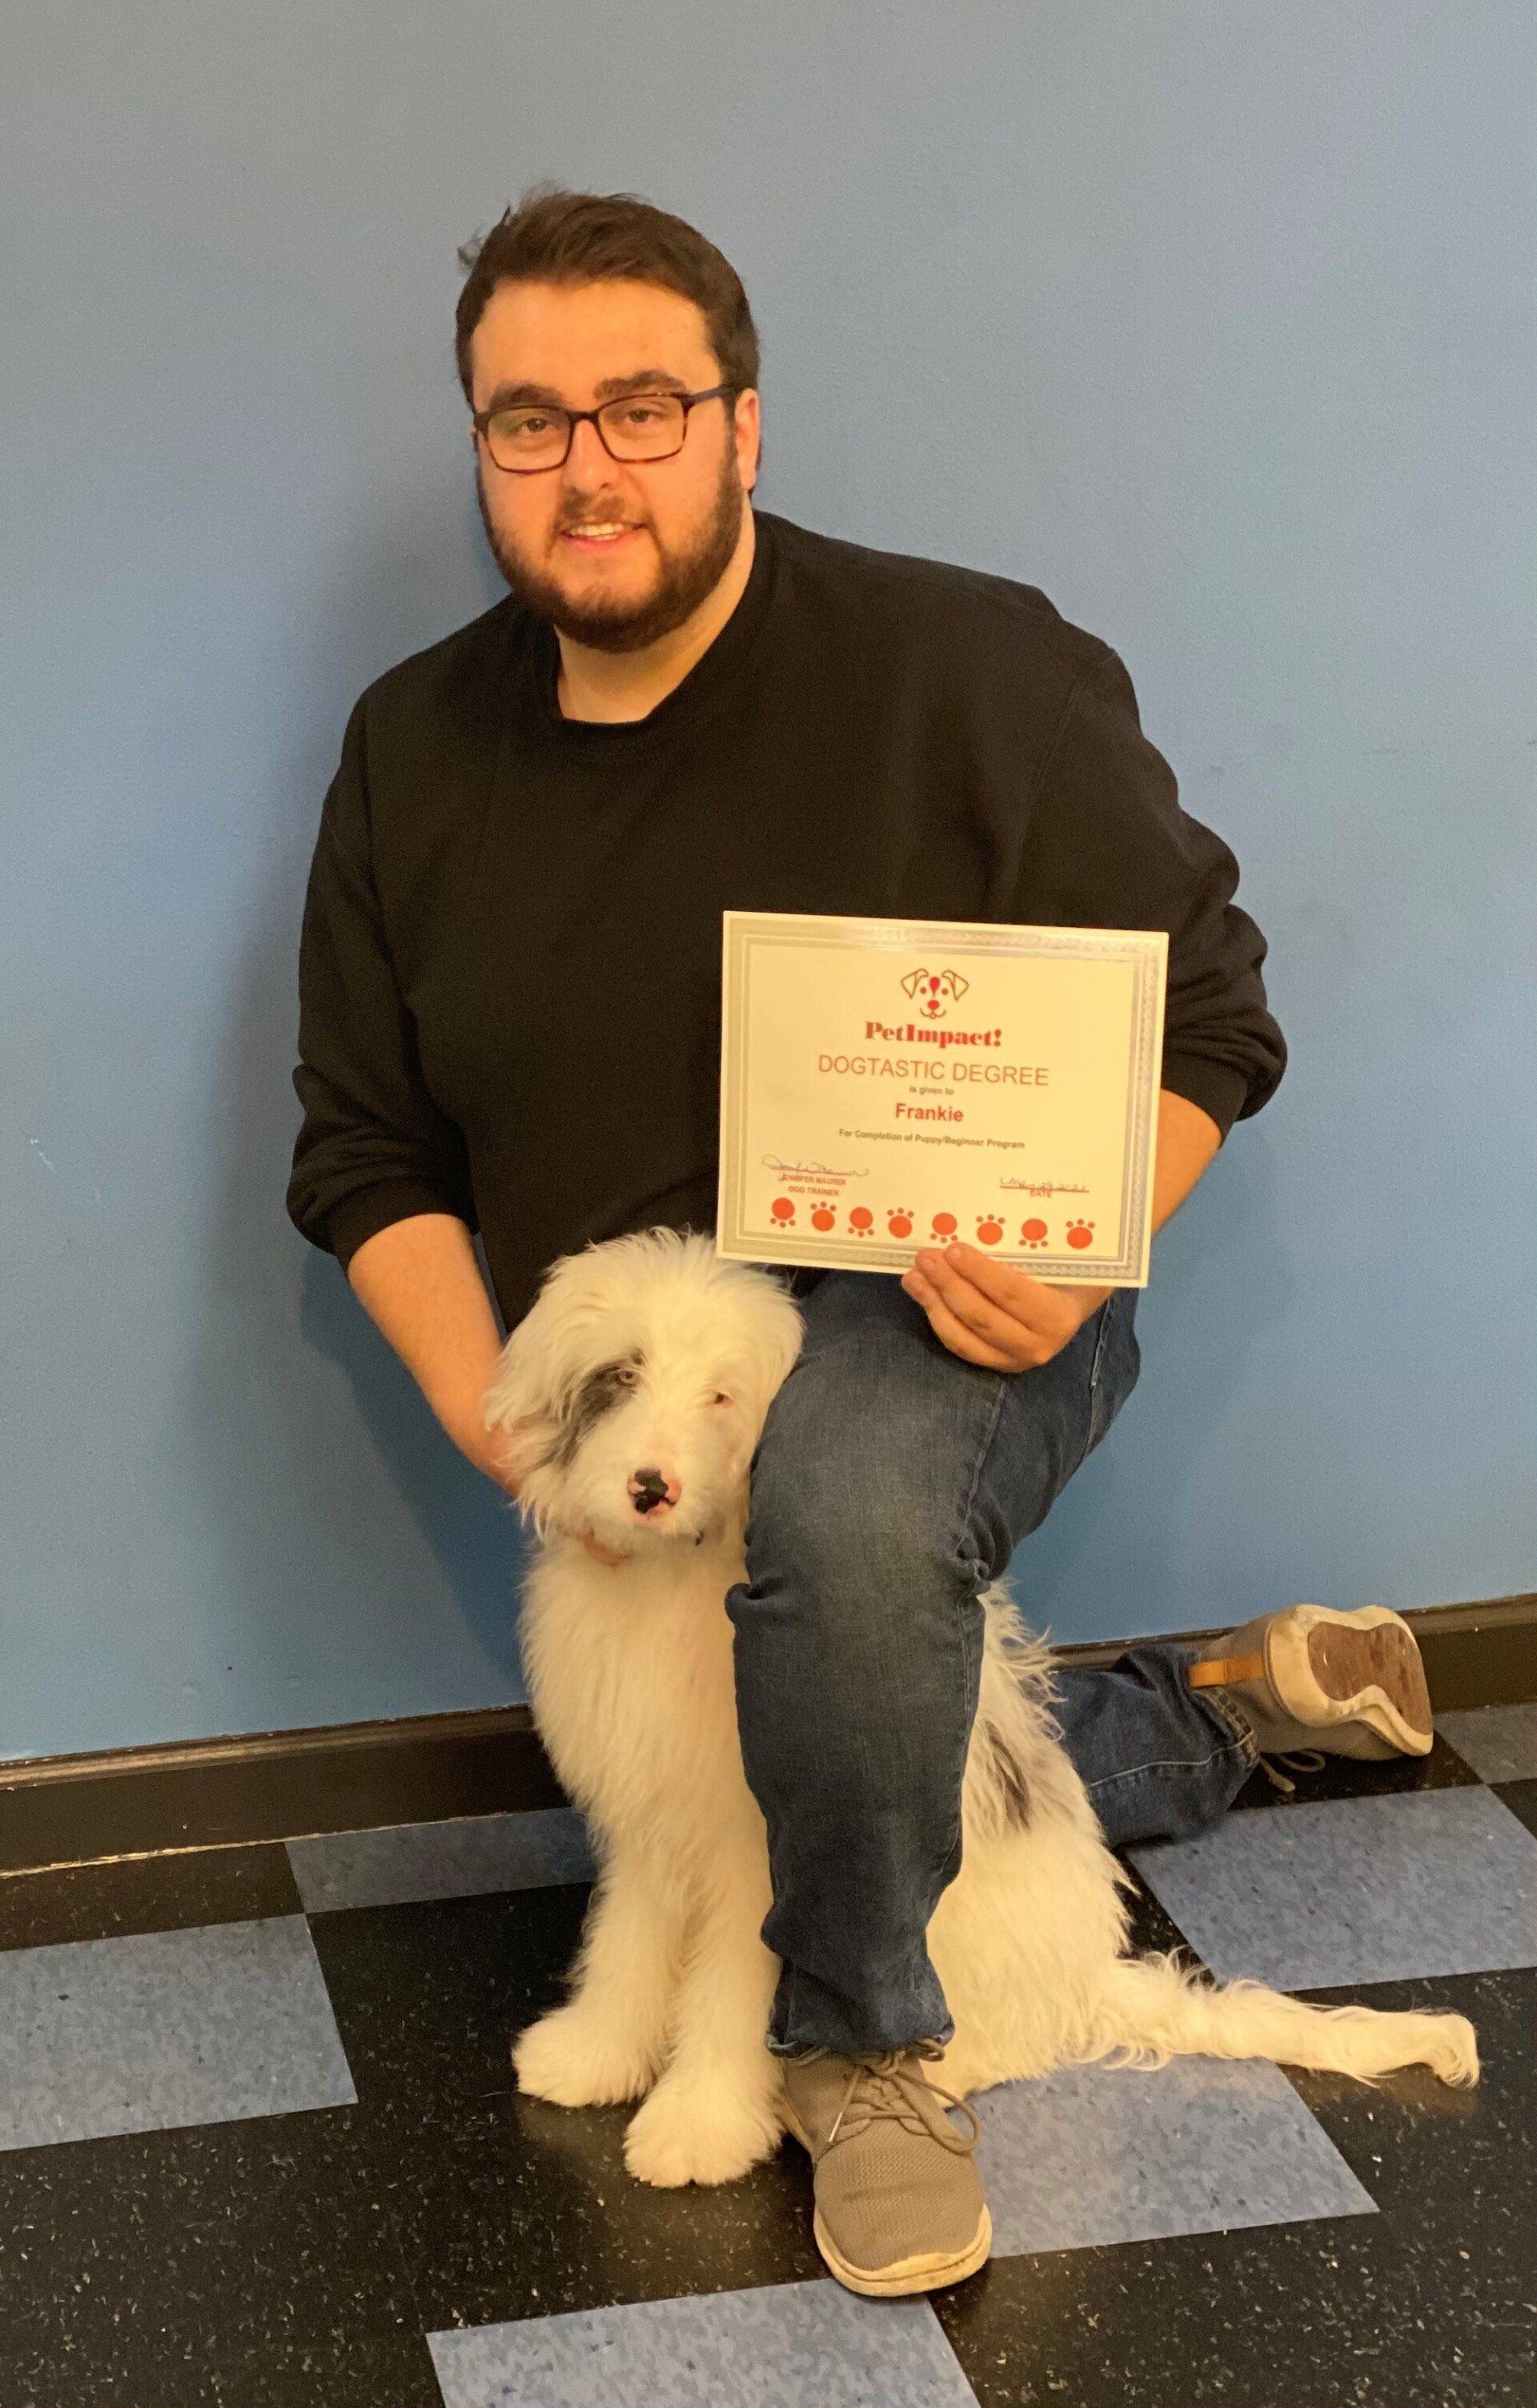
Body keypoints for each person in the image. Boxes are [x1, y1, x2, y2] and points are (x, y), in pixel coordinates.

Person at [286, 182, 1435, 2300]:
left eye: (644, 406)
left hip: (957, 1303)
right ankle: (1205, 1716)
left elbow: (1212, 1020)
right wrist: (490, 1399)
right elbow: (365, 1150)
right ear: (483, 449)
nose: (588, 467)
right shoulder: (411, 750)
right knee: (828, 1686)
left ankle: (862, 2050)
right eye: (528, 420)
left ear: (745, 425)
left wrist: (1084, 1255)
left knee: (848, 1508)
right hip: (643, 1367)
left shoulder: (976, 671)